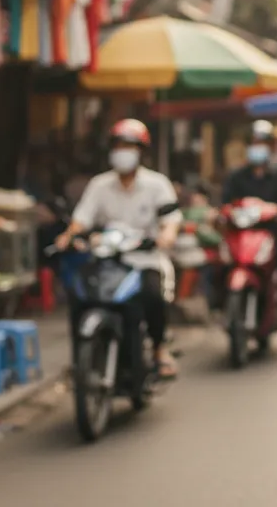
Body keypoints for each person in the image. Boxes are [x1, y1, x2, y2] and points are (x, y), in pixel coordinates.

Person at [55, 119, 182, 379]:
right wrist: (69, 235)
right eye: (119, 146)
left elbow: (170, 219)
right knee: (79, 296)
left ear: (141, 152)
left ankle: (159, 349)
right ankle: (80, 360)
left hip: (143, 260)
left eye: (129, 146)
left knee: (153, 298)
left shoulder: (157, 184)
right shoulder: (100, 185)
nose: (123, 151)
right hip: (106, 260)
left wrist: (166, 235)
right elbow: (83, 218)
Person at [222, 120, 277, 330]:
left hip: (271, 234)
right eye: (255, 142)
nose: (258, 147)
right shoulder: (236, 176)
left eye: (263, 143)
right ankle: (220, 305)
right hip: (242, 235)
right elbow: (224, 203)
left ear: (271, 146)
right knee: (221, 263)